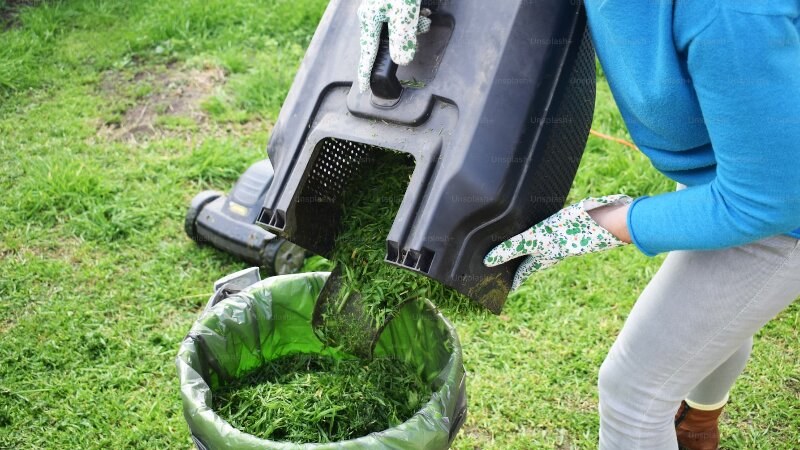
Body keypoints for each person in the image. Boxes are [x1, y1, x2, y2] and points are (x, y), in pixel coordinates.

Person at [358, 0, 800, 449]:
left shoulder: (729, 13)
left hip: (783, 204)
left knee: (633, 394)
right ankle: (698, 425)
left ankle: (690, 424)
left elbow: (769, 198)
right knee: (708, 310)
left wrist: (606, 222)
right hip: (747, 161)